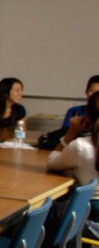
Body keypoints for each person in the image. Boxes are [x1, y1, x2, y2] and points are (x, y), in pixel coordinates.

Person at [46, 91, 99, 219]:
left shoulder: (81, 146)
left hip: (92, 216)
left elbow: (51, 163)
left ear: (86, 114)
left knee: (48, 213)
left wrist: (71, 133)